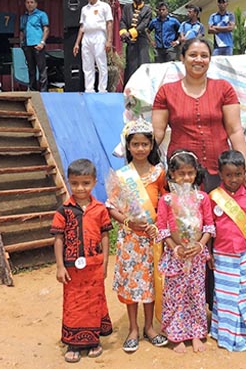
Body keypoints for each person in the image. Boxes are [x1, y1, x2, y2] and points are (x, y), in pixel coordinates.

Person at [151, 37, 246, 194]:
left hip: (221, 171)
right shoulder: (166, 92)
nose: (199, 60)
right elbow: (157, 134)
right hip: (182, 173)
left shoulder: (224, 89)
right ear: (182, 58)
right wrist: (141, 164)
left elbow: (235, 131)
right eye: (193, 55)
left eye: (204, 56)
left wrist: (245, 170)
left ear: (210, 59)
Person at [107, 118, 169, 353]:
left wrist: (158, 225)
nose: (140, 148)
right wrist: (129, 222)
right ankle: (133, 329)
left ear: (152, 145)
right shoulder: (121, 175)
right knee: (131, 285)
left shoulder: (159, 173)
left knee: (151, 283)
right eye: (135, 144)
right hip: (130, 240)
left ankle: (149, 327)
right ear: (128, 146)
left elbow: (166, 203)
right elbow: (111, 207)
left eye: (145, 144)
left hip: (153, 238)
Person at [50, 159, 113, 363]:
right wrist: (60, 266)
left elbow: (105, 236)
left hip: (94, 265)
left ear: (94, 182)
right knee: (73, 303)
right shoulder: (63, 211)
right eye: (75, 183)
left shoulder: (100, 209)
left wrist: (105, 262)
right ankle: (74, 343)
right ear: (68, 182)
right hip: (72, 268)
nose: (80, 188)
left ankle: (93, 340)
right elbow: (58, 239)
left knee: (94, 301)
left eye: (85, 183)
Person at [155, 149, 215, 353]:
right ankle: (176, 335)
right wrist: (176, 248)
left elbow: (209, 226)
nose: (186, 177)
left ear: (196, 173)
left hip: (196, 257)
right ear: (172, 174)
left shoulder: (202, 198)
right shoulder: (166, 200)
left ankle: (197, 333)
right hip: (176, 257)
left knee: (196, 294)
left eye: (190, 173)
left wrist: (200, 245)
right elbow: (162, 228)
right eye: (181, 173)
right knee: (175, 295)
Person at [208, 150, 246, 351]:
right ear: (220, 174)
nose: (234, 179)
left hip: (244, 254)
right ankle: (225, 334)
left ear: (244, 173)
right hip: (222, 255)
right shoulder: (214, 197)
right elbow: (210, 228)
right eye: (228, 175)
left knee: (245, 293)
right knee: (225, 296)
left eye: (238, 174)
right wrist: (209, 253)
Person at [73, 0, 113, 93]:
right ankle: (89, 88)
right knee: (87, 64)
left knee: (101, 62)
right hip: (87, 36)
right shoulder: (84, 9)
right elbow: (82, 27)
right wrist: (77, 43)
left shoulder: (104, 6)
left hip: (99, 35)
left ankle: (102, 89)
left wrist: (109, 40)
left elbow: (109, 23)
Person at [120, 0, 152, 85]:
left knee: (143, 65)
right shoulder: (127, 7)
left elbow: (143, 24)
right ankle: (129, 89)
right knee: (130, 66)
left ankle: (144, 88)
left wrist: (130, 33)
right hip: (130, 41)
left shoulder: (147, 9)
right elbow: (123, 21)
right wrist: (123, 32)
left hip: (142, 41)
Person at [19, 0, 50, 91]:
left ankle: (43, 91)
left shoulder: (41, 14)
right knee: (31, 69)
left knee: (41, 69)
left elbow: (46, 29)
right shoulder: (23, 17)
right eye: (27, 2)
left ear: (36, 4)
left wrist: (42, 42)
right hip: (27, 45)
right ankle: (33, 90)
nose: (29, 4)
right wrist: (21, 43)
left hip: (38, 44)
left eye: (31, 2)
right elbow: (22, 31)